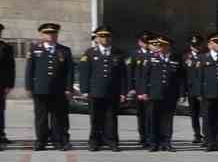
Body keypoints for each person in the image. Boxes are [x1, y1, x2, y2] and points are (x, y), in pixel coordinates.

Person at [25, 22, 74, 150]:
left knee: (58, 116)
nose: (51, 36)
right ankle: (41, 140)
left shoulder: (64, 50)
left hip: (58, 90)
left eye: (53, 33)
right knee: (41, 117)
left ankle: (58, 140)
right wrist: (29, 87)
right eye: (47, 33)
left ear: (57, 34)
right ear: (42, 34)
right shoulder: (35, 49)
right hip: (40, 89)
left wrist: (69, 89)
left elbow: (69, 72)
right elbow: (30, 70)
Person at [80, 26, 125, 151]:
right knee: (95, 118)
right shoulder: (90, 53)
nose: (104, 39)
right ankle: (94, 141)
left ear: (111, 38)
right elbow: (84, 73)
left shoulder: (118, 53)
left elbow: (123, 75)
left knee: (111, 118)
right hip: (95, 92)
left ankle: (112, 141)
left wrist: (123, 92)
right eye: (102, 36)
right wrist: (85, 90)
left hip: (112, 92)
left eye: (107, 36)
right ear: (97, 38)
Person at [138, 36, 181, 151]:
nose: (159, 47)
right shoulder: (150, 58)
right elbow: (144, 77)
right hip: (154, 93)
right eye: (158, 45)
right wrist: (144, 92)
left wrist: (181, 93)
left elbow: (180, 78)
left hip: (170, 94)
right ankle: (153, 143)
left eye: (162, 45)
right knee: (153, 118)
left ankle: (166, 142)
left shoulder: (175, 59)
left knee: (167, 120)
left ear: (168, 46)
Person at [0, 21, 13, 149]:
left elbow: (10, 67)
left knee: (0, 110)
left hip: (1, 84)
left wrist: (9, 84)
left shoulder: (6, 48)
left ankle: (1, 134)